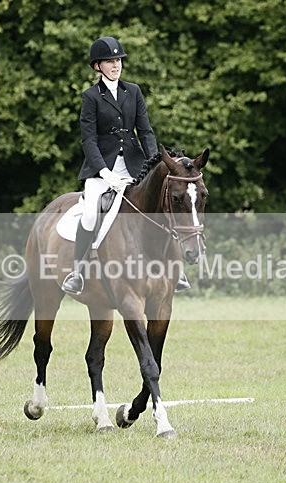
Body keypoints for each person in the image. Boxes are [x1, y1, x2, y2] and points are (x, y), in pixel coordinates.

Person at [62, 36, 191, 294]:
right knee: (90, 213)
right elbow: (89, 140)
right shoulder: (91, 96)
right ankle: (77, 272)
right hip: (101, 170)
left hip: (134, 166)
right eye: (110, 61)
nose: (116, 65)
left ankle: (176, 270)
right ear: (98, 66)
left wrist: (155, 164)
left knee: (163, 206)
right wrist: (104, 172)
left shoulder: (133, 91)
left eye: (119, 60)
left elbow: (145, 131)